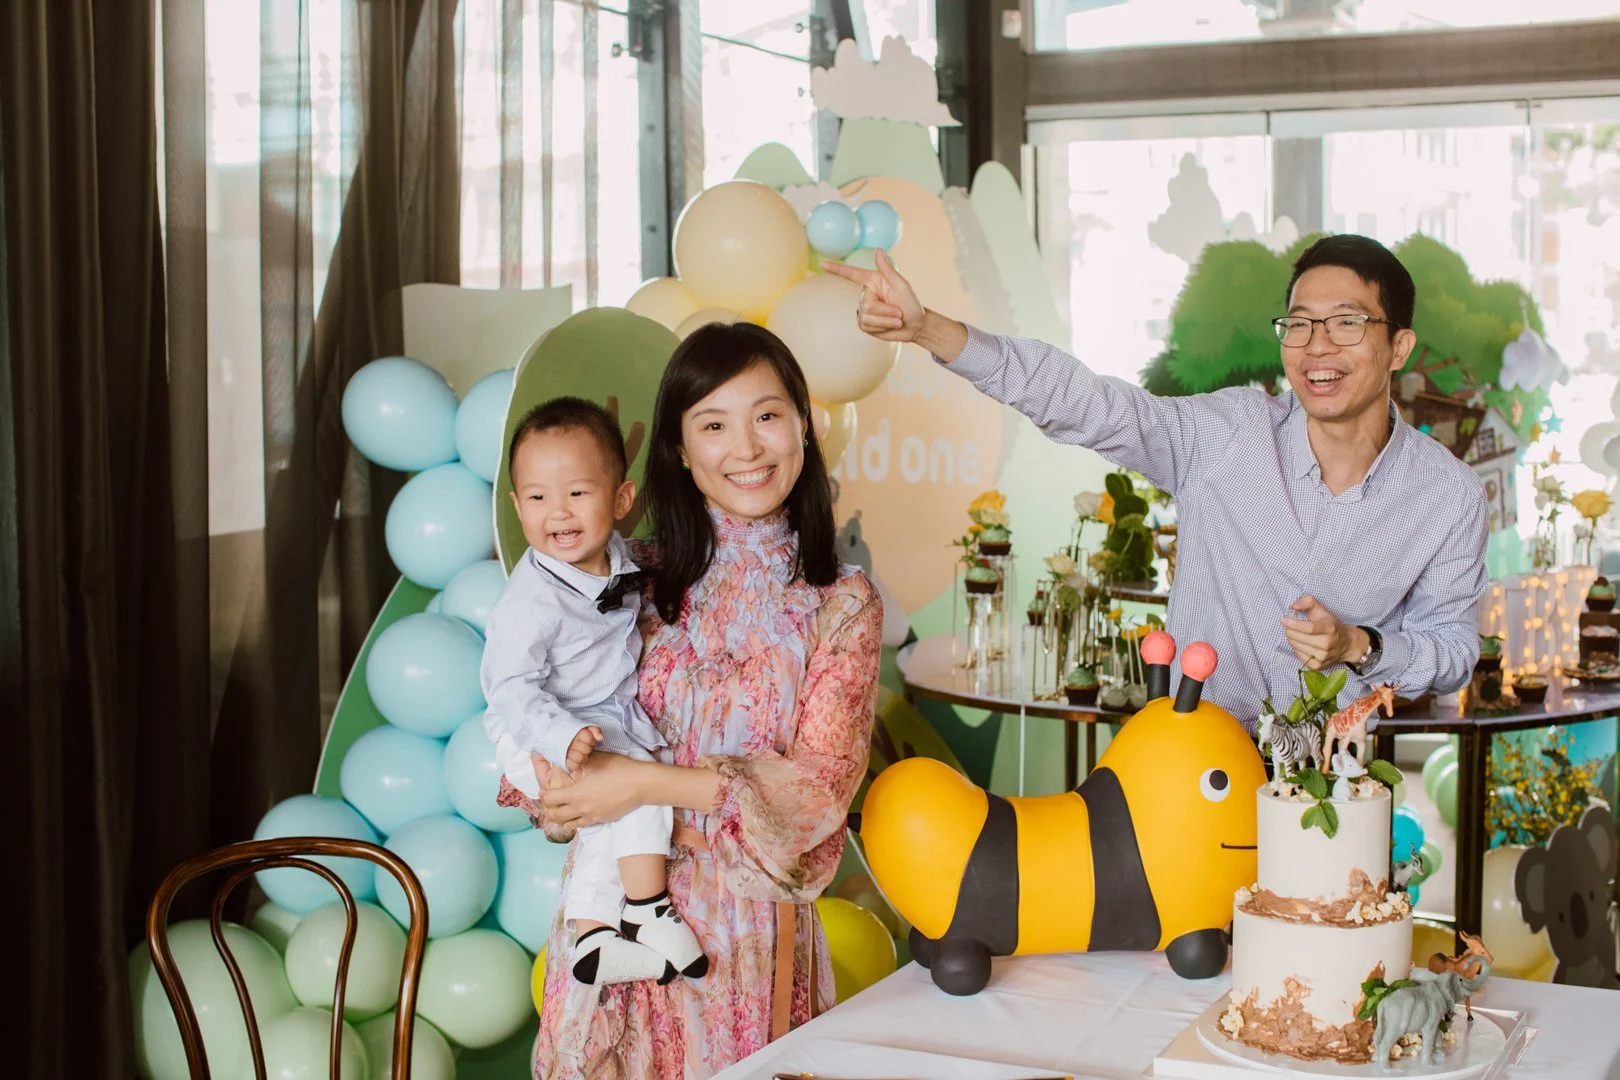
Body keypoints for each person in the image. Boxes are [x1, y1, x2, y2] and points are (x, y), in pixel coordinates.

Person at [825, 234, 1487, 723]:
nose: (1317, 346)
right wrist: (929, 329)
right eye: (1300, 324)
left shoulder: (1448, 497)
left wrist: (1359, 645)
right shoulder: (1226, 435)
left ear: (1398, 346)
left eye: (1346, 323)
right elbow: (1087, 402)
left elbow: (1454, 648)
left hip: (1336, 787)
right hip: (1188, 774)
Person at [503, 322, 883, 1078]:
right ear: (679, 447)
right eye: (713, 424)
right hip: (610, 921)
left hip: (744, 942)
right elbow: (534, 704)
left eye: (768, 415)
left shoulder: (841, 603)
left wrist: (641, 783)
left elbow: (816, 795)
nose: (746, 448)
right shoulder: (622, 580)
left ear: (804, 424)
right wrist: (556, 784)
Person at [482, 398, 710, 989]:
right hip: (533, 726)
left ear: (621, 500)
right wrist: (559, 739)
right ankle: (637, 912)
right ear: (516, 506)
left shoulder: (620, 559)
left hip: (597, 716)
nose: (557, 512)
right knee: (625, 795)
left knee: (627, 799)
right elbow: (507, 687)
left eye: (577, 493)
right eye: (536, 498)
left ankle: (601, 935)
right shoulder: (530, 601)